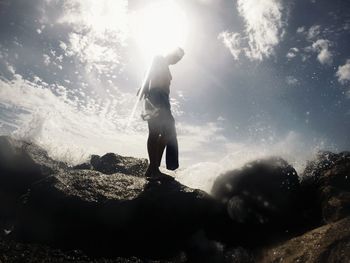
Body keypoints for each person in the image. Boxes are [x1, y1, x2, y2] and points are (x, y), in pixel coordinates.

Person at [138, 47, 185, 180]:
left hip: (164, 100)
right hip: (155, 96)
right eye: (176, 56)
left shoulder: (168, 68)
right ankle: (154, 169)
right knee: (154, 131)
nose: (177, 59)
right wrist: (144, 87)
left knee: (169, 133)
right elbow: (149, 72)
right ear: (171, 52)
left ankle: (153, 168)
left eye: (179, 59)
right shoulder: (159, 59)